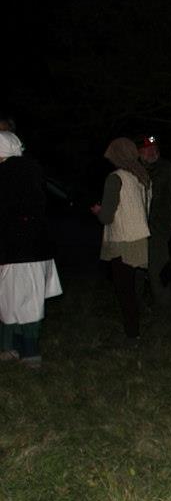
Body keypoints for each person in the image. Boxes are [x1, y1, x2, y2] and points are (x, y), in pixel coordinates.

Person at [0, 131, 62, 367]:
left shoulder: (9, 174)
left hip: (18, 251)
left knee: (20, 302)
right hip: (36, 248)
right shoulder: (32, 170)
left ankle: (29, 352)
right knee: (21, 301)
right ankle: (15, 347)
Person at [91, 138, 152, 342]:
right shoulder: (142, 177)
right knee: (133, 287)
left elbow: (107, 216)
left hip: (122, 240)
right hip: (140, 238)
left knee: (124, 290)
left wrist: (99, 211)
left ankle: (132, 334)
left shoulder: (115, 178)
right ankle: (135, 329)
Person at [138, 135, 171, 307]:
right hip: (135, 229)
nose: (152, 152)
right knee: (137, 269)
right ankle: (138, 305)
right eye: (147, 149)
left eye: (154, 148)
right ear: (140, 152)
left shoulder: (167, 169)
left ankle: (164, 306)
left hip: (158, 229)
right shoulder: (133, 169)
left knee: (158, 269)